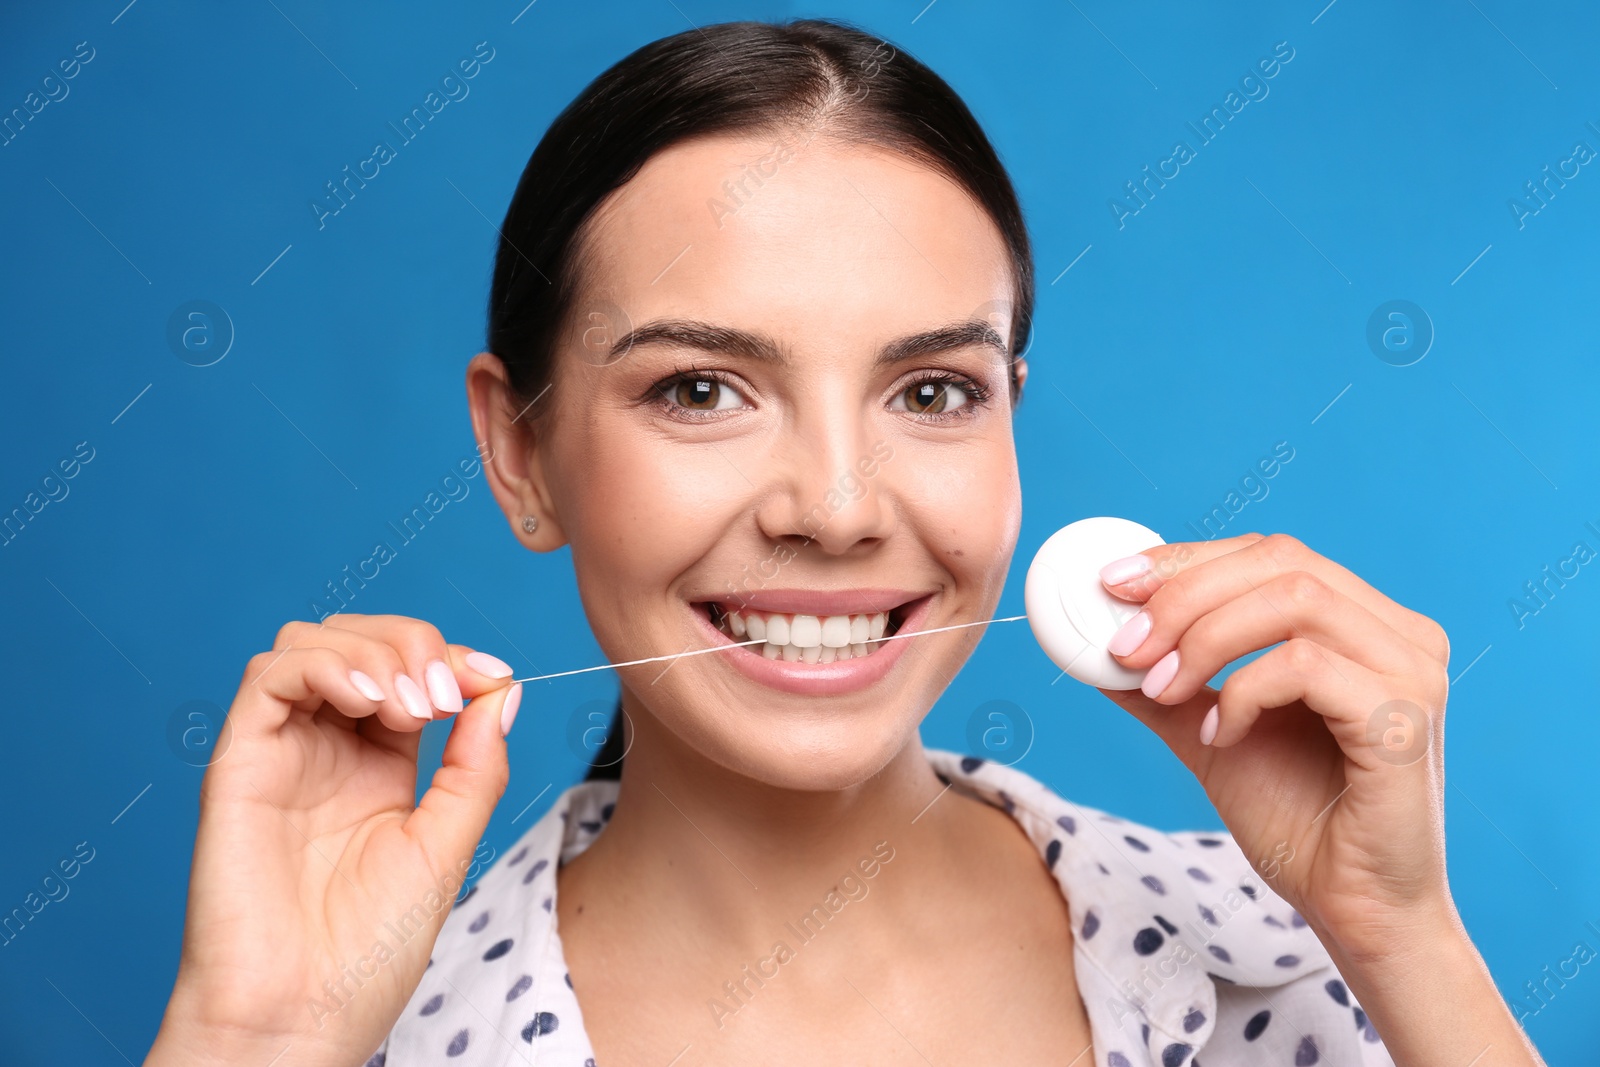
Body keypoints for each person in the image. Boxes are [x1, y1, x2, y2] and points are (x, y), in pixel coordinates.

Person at [146, 18, 1546, 1067]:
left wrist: (1406, 946)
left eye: (932, 392)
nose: (833, 506)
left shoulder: (1287, 960)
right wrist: (247, 1042)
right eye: (700, 390)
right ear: (522, 454)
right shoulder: (361, 1032)